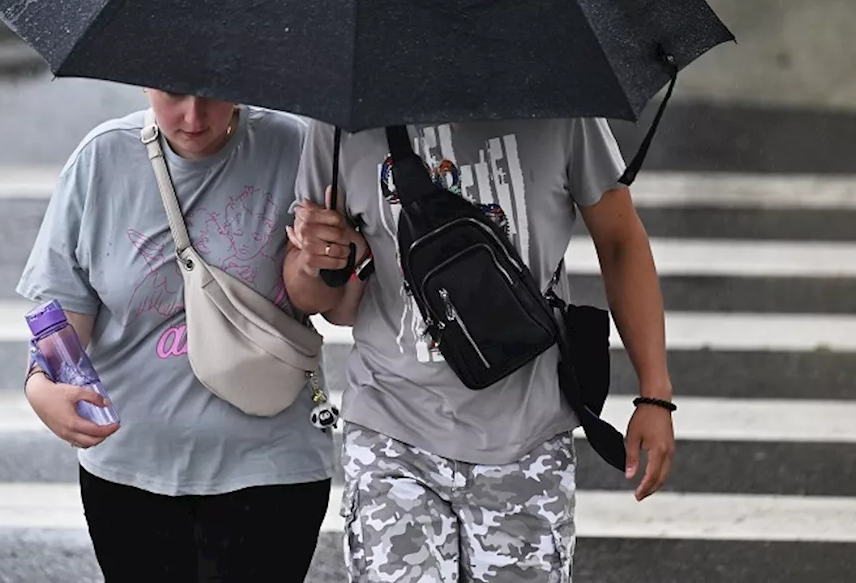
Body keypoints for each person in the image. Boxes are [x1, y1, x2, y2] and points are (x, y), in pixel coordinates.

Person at [285, 118, 676, 582]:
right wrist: (319, 260)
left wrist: (655, 392)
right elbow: (317, 302)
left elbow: (619, 241)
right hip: (391, 430)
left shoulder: (560, 106)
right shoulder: (343, 122)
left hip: (525, 440)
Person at [19, 91, 334, 583]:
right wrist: (42, 384)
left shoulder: (294, 148)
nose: (193, 115)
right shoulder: (101, 159)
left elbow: (328, 306)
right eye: (173, 93)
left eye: (212, 94)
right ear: (144, 84)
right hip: (132, 470)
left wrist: (327, 256)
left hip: (272, 465)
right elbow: (63, 310)